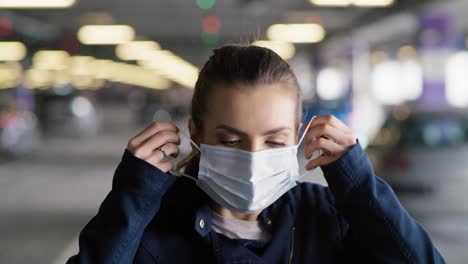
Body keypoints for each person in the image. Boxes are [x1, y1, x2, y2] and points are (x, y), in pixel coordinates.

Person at [68, 45, 444, 263]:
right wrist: (132, 198)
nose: (252, 157)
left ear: (298, 136)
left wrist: (358, 187)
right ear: (195, 133)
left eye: (274, 141)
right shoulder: (152, 223)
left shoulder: (327, 217)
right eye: (232, 141)